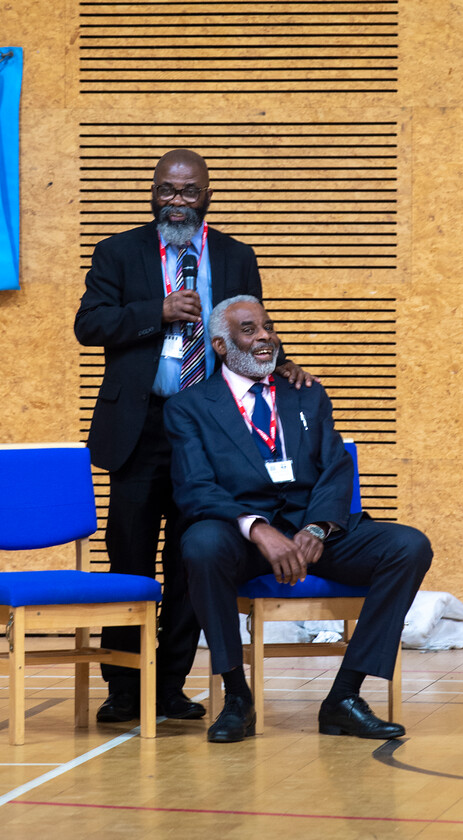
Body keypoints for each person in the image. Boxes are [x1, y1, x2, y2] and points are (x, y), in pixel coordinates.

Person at [74, 150, 312, 724]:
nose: (174, 200)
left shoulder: (234, 255)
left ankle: (170, 685)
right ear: (152, 191)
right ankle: (126, 689)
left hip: (211, 429)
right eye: (165, 190)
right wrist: (154, 310)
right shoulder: (118, 252)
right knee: (130, 557)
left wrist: (283, 364)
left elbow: (253, 327)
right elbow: (89, 325)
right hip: (142, 425)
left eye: (187, 191)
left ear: (206, 194)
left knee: (193, 556)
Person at [164, 296, 433, 743]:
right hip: (246, 541)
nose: (265, 336)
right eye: (250, 330)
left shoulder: (305, 392)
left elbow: (335, 467)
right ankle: (236, 697)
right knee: (200, 544)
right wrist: (256, 527)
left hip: (312, 532)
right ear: (221, 345)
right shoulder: (189, 407)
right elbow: (196, 487)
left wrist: (317, 526)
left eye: (268, 327)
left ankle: (344, 697)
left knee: (408, 546)